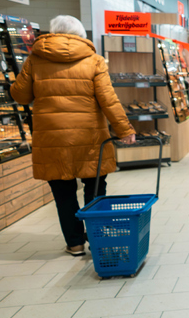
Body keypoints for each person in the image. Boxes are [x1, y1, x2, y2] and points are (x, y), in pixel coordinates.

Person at [10, 15, 137, 257]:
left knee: (63, 192)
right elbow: (108, 100)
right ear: (80, 34)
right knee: (95, 187)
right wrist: (124, 130)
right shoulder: (94, 60)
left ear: (53, 32)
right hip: (90, 137)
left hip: (52, 139)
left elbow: (21, 96)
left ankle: (75, 243)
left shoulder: (35, 59)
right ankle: (97, 238)